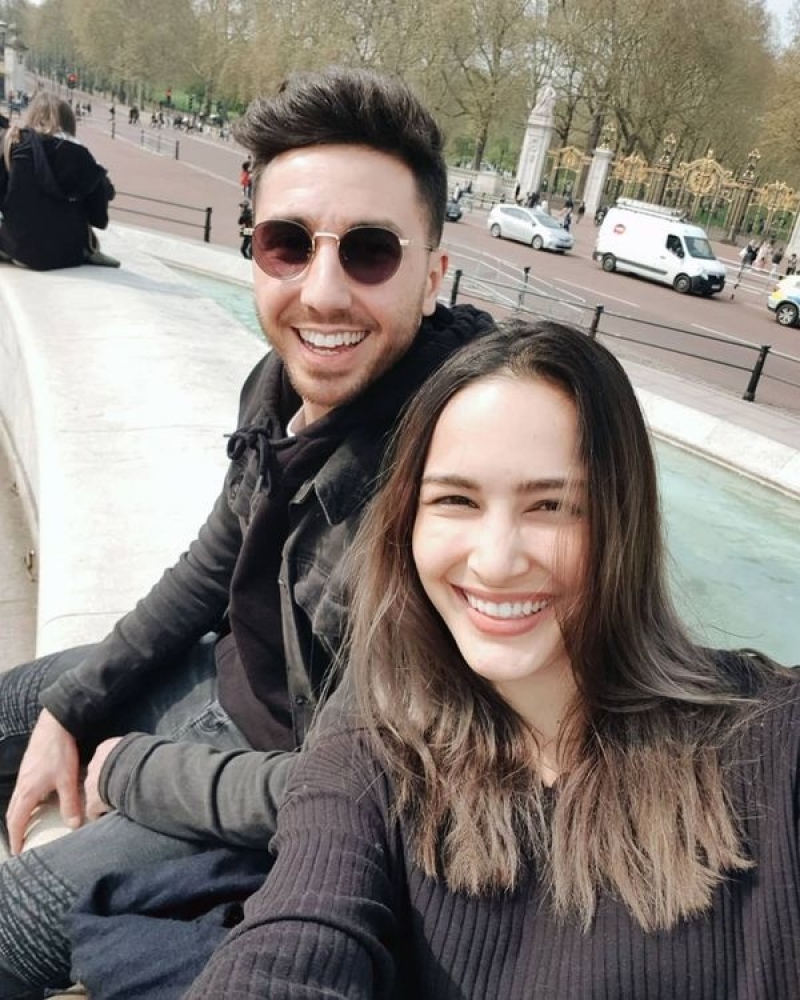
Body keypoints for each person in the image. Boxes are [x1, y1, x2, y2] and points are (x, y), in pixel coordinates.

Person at [0, 67, 493, 996]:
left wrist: (131, 769)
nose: (323, 293)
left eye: (371, 251)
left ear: (433, 275)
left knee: (10, 923)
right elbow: (208, 569)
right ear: (254, 250)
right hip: (219, 689)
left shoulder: (450, 481)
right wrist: (71, 707)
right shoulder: (280, 385)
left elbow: (342, 788)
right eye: (287, 244)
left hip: (271, 783)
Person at [188, 320, 799, 999]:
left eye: (552, 505)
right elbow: (291, 942)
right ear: (406, 522)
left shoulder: (774, 737)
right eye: (456, 500)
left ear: (623, 520)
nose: (497, 561)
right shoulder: (371, 761)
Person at [0, 93, 119, 270]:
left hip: (18, 248)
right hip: (68, 254)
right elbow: (99, 218)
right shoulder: (83, 156)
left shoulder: (16, 145)